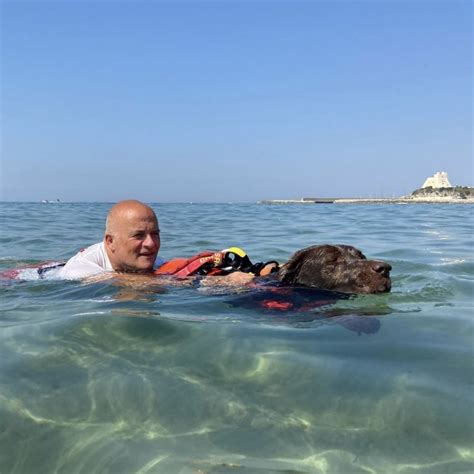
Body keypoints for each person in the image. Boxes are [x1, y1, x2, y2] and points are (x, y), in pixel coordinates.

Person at [59, 200, 161, 279]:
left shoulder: (151, 259)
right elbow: (120, 282)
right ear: (110, 241)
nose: (151, 244)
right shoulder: (78, 271)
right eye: (138, 235)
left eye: (155, 234)